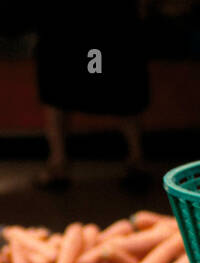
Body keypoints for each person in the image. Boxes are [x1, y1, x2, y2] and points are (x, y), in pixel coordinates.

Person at [31, 2, 152, 191]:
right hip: (71, 22)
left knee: (124, 88)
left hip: (107, 21)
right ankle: (59, 164)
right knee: (57, 89)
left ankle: (136, 161)